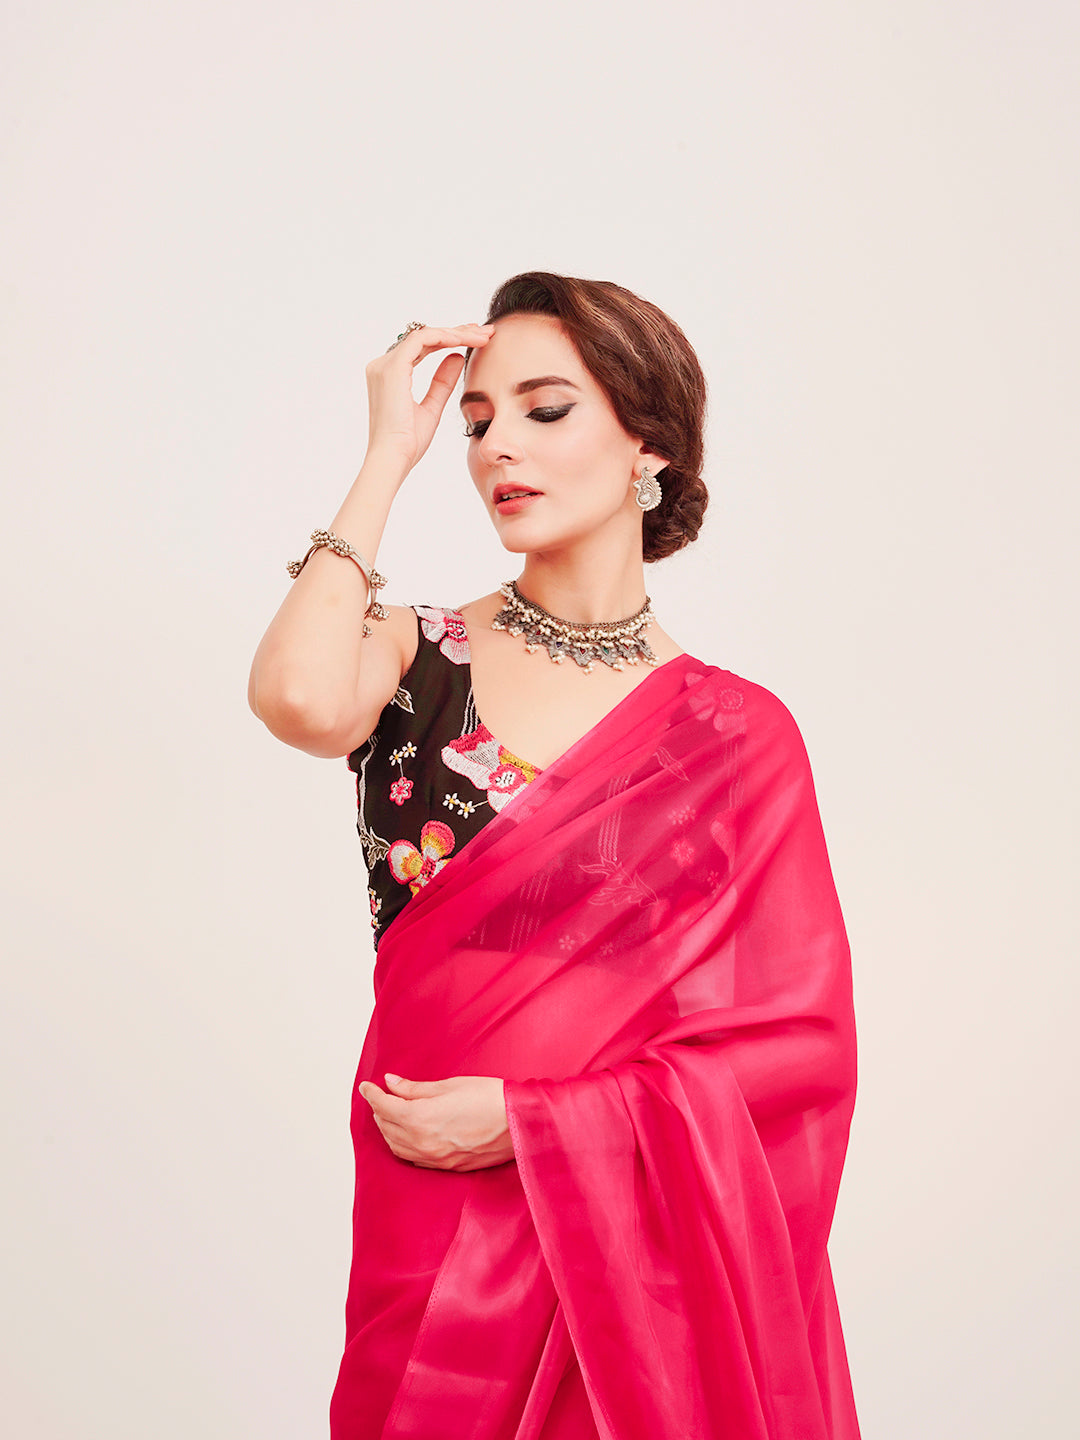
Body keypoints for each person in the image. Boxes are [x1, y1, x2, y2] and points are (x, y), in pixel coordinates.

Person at [247, 272, 861, 1439]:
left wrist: (535, 1121)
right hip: (431, 1218)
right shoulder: (415, 656)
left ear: (649, 445)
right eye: (477, 421)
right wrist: (386, 457)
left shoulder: (737, 736)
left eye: (545, 409)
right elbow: (298, 699)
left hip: (632, 1263)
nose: (495, 448)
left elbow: (795, 1054)